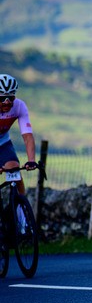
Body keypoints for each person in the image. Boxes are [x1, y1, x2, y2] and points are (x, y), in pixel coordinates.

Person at [0, 74, 37, 221]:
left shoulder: (19, 106)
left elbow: (27, 136)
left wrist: (31, 160)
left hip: (3, 143)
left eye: (11, 97)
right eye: (2, 98)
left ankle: (21, 214)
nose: (7, 102)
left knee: (14, 168)